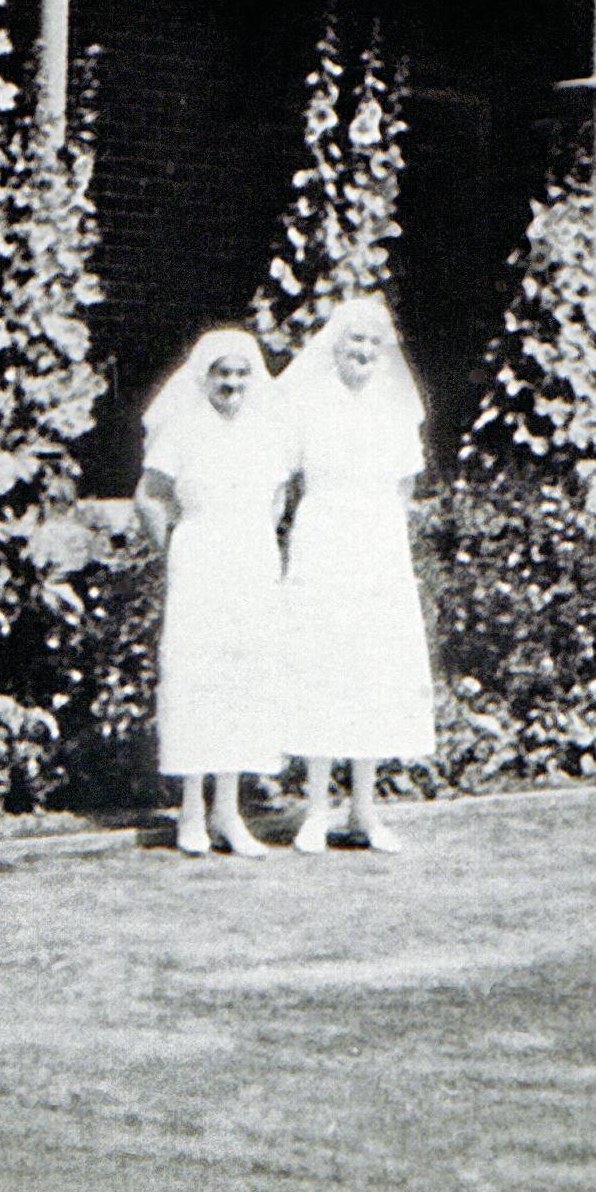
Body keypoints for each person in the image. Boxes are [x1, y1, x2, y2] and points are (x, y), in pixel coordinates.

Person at [277, 293, 436, 852]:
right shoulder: (309, 400)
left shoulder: (394, 406)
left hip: (377, 544)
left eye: (374, 341)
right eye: (354, 340)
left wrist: (376, 527)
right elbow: (284, 474)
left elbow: (404, 483)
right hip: (323, 538)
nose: (364, 351)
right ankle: (317, 810)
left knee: (372, 668)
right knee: (323, 662)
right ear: (334, 346)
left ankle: (364, 809)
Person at [137, 328, 291, 858]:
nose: (233, 383)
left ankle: (228, 811)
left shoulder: (268, 432)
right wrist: (176, 550)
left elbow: (277, 499)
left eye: (242, 373)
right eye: (223, 373)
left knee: (240, 680)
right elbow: (150, 498)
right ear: (204, 378)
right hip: (200, 561)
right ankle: (190, 812)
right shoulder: (181, 430)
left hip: (249, 562)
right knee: (197, 679)